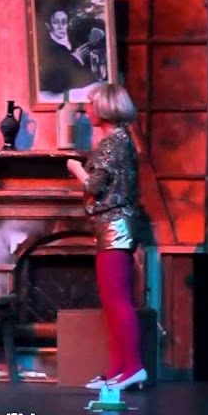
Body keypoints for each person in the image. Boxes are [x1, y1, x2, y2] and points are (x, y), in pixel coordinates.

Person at [65, 82, 148, 391]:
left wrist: (75, 167)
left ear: (104, 108)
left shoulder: (112, 143)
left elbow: (94, 186)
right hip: (112, 226)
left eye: (90, 104)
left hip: (115, 226)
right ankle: (118, 369)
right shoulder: (121, 140)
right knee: (113, 302)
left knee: (118, 302)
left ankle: (133, 367)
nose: (87, 110)